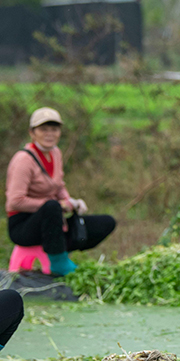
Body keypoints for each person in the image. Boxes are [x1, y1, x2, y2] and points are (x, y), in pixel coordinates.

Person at [6, 107, 116, 276]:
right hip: (24, 226)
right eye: (43, 129)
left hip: (54, 225)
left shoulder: (55, 153)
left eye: (54, 129)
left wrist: (72, 202)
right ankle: (58, 262)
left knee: (106, 222)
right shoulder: (23, 160)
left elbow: (58, 186)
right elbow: (15, 201)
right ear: (32, 133)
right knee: (51, 207)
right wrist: (58, 205)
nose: (49, 134)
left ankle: (60, 252)